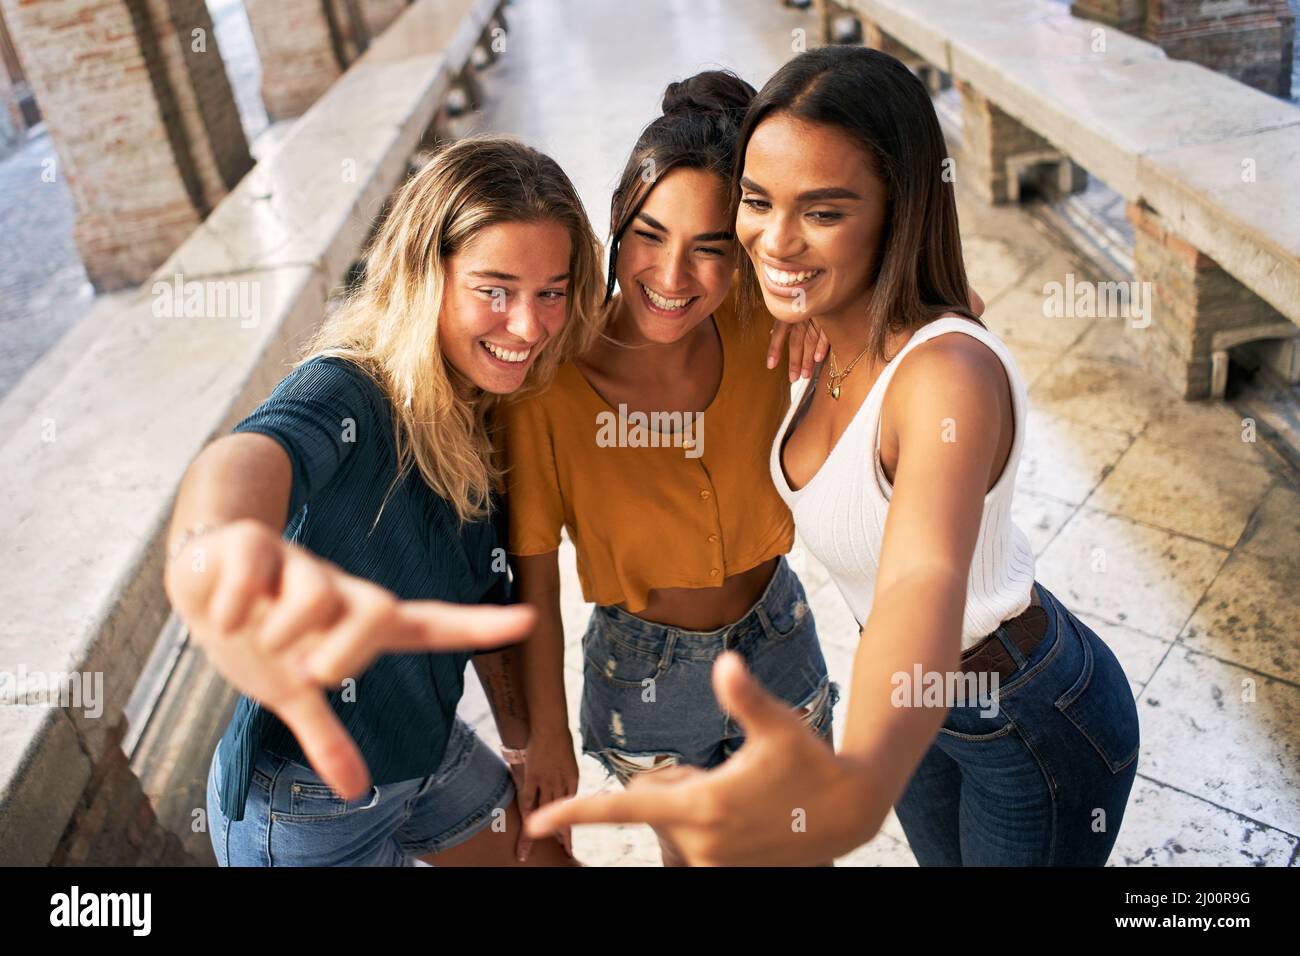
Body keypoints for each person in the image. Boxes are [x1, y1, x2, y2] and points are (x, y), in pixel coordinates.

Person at [525, 47, 1140, 867]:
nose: (776, 240)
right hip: (918, 716)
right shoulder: (786, 320)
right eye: (759, 203)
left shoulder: (935, 371)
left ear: (900, 207)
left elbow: (924, 576)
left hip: (1023, 707)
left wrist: (858, 785)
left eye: (823, 211)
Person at [164, 136, 605, 866]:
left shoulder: (488, 393)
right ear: (422, 275)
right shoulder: (349, 393)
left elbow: (490, 612)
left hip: (424, 756)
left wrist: (526, 745)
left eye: (549, 292)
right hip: (306, 798)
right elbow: (253, 455)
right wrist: (213, 545)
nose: (528, 327)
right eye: (494, 291)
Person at [501, 72, 840, 867]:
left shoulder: (763, 313)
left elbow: (905, 268)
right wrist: (545, 732)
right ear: (616, 218)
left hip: (778, 636)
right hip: (645, 680)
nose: (672, 275)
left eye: (710, 249)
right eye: (650, 235)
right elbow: (534, 575)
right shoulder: (545, 386)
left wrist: (832, 315)